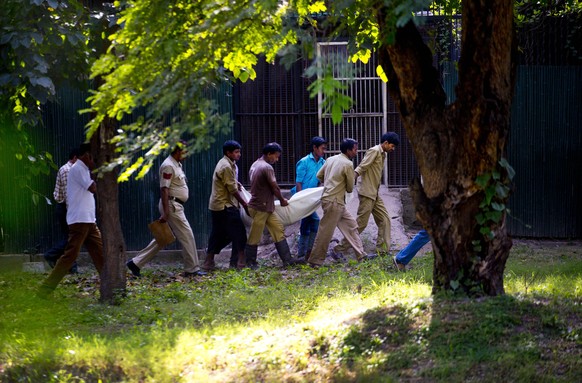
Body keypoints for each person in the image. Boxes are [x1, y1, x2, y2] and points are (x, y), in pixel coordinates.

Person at [126, 141, 207, 277]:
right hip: (171, 205)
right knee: (187, 235)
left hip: (174, 205)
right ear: (178, 151)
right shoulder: (168, 165)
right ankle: (192, 269)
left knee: (163, 238)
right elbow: (164, 189)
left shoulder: (176, 164)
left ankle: (135, 263)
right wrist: (166, 211)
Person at [38, 143, 104, 297]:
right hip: (80, 221)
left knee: (100, 254)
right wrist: (100, 174)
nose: (94, 161)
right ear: (86, 155)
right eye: (93, 157)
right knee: (69, 256)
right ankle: (45, 290)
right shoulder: (79, 168)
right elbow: (92, 188)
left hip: (87, 220)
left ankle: (110, 286)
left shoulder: (83, 169)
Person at [307, 138, 375, 267]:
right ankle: (315, 261)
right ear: (348, 150)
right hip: (335, 202)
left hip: (333, 201)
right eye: (355, 149)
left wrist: (331, 181)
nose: (356, 152)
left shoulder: (330, 159)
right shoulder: (348, 164)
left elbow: (319, 176)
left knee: (351, 226)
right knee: (325, 232)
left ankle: (361, 255)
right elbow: (350, 187)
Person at [333, 132, 400, 258]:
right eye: (392, 146)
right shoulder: (374, 151)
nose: (393, 148)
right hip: (367, 193)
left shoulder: (383, 154)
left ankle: (383, 251)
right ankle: (339, 249)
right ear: (385, 143)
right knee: (360, 224)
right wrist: (352, 179)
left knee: (385, 220)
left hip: (374, 194)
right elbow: (362, 166)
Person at [245, 142, 303, 269]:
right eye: (275, 156)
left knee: (278, 229)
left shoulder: (255, 164)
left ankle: (287, 260)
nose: (276, 160)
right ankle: (250, 262)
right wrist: (282, 199)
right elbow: (274, 187)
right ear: (269, 154)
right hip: (261, 207)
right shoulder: (267, 167)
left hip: (264, 207)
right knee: (255, 235)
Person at [202, 140, 249, 271]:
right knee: (239, 233)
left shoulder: (228, 163)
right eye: (236, 152)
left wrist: (236, 183)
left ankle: (209, 261)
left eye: (239, 151)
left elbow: (230, 183)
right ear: (228, 153)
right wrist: (245, 205)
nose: (239, 154)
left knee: (219, 234)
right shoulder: (226, 166)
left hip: (217, 205)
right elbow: (232, 190)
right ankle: (240, 262)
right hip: (225, 205)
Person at [291, 136, 327, 260]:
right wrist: (302, 200)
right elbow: (299, 183)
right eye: (322, 148)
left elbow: (319, 181)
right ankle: (307, 252)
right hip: (301, 197)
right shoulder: (304, 162)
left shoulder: (323, 163)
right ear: (314, 148)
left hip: (311, 198)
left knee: (306, 224)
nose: (324, 151)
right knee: (314, 221)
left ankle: (304, 253)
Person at [43, 148, 79, 273]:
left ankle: (71, 266)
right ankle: (51, 255)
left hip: (64, 207)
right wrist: (73, 212)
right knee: (71, 238)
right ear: (75, 158)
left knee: (71, 237)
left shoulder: (66, 169)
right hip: (66, 207)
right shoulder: (68, 170)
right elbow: (68, 194)